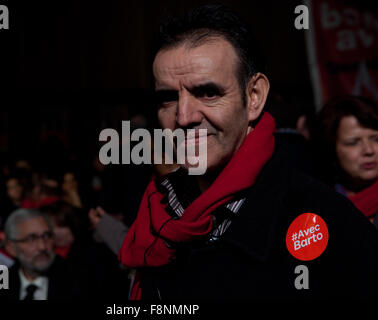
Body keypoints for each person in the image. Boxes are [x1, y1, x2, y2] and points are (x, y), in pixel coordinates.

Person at [118, 4, 378, 299]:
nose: (184, 116)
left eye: (208, 92)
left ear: (254, 97)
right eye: (167, 98)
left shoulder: (327, 222)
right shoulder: (156, 215)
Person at [0, 208, 89, 300]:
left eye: (47, 236)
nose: (42, 246)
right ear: (11, 248)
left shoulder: (79, 279)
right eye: (31, 239)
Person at [318, 96, 378, 227]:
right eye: (353, 143)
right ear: (332, 148)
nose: (369, 150)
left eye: (375, 139)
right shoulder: (320, 208)